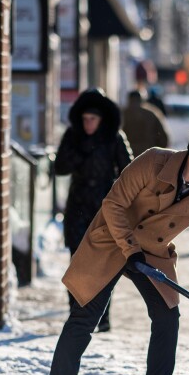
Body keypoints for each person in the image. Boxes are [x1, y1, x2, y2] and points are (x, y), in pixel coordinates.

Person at [47, 125, 189, 375]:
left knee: (167, 317)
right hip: (113, 240)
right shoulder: (153, 162)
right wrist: (129, 249)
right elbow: (113, 205)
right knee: (85, 314)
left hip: (152, 252)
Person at [54, 88, 133, 332]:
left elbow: (129, 172)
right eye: (85, 119)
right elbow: (60, 167)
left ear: (102, 119)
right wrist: (81, 150)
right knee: (77, 260)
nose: (88, 123)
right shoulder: (73, 135)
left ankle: (103, 315)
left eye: (93, 119)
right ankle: (76, 313)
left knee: (104, 262)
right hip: (78, 203)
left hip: (104, 206)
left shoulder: (114, 137)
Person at [121, 89, 170, 156]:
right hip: (148, 155)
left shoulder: (122, 114)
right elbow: (163, 138)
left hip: (127, 154)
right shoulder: (151, 114)